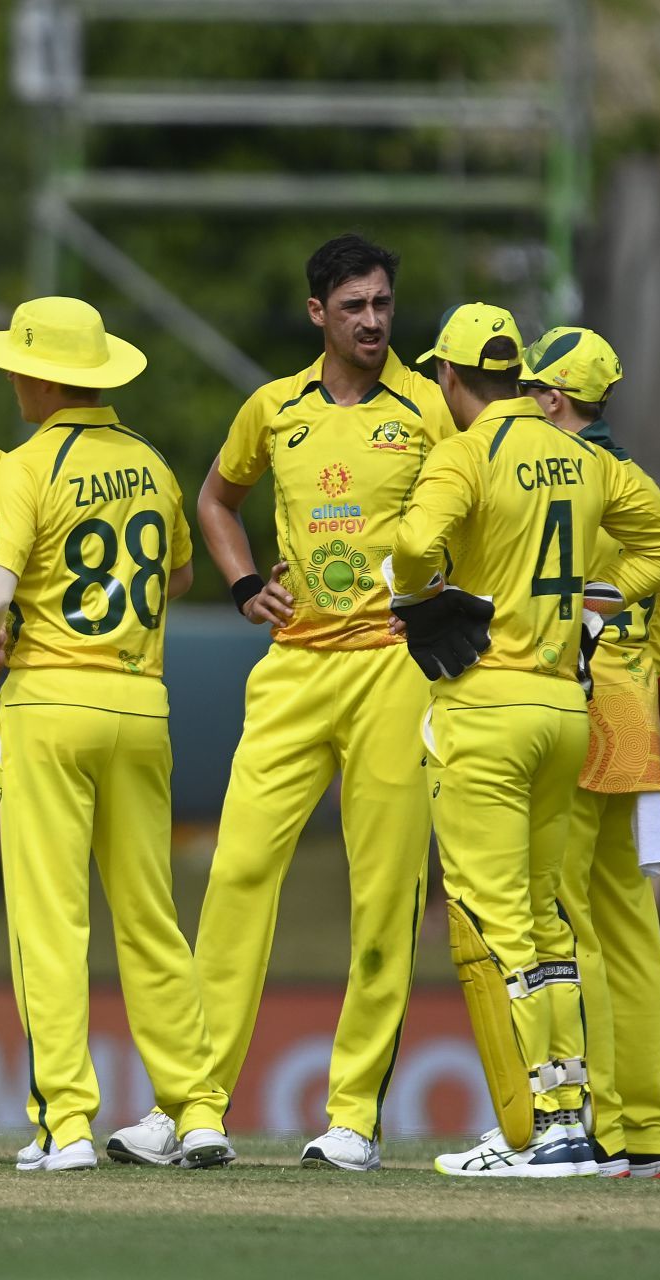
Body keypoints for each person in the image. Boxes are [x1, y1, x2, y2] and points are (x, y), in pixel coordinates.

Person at [153, 235, 451, 1172]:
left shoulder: (432, 409)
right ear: (318, 313)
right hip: (291, 666)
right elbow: (215, 498)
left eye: (383, 305)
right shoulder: (272, 407)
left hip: (391, 670)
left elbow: (482, 510)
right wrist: (244, 586)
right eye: (353, 306)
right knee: (238, 872)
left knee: (384, 895)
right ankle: (195, 1110)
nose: (372, 321)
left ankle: (353, 1117)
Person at [390, 302, 660, 1177]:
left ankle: (554, 1126)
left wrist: (422, 598)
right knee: (555, 922)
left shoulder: (465, 452)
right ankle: (591, 1123)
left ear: (451, 378)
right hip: (572, 711)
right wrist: (601, 608)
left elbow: (415, 545)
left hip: (487, 709)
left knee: (496, 927)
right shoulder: (588, 461)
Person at [0, 297, 233, 1172]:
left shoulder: (26, 463)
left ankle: (65, 1125)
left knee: (51, 920)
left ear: (42, 376)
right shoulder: (148, 460)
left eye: (16, 365)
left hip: (47, 702)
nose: (9, 378)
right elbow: (179, 570)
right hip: (139, 702)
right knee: (152, 918)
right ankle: (197, 1113)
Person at [522, 326, 660, 1178]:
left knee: (572, 923)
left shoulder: (565, 475)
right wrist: (639, 660)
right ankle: (649, 1133)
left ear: (555, 399)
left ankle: (599, 1127)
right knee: (633, 931)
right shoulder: (627, 471)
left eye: (531, 390)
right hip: (629, 711)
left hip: (575, 700)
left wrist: (597, 617)